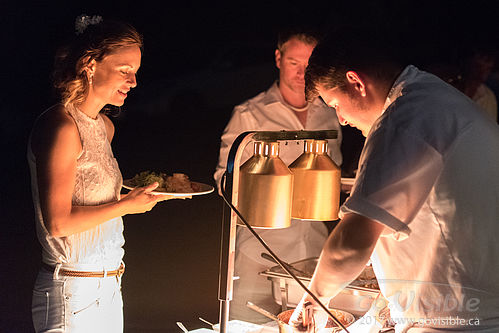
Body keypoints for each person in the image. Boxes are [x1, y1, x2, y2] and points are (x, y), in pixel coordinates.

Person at [290, 29, 499, 332]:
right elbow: (430, 229)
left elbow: (351, 242)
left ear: (356, 82)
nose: (342, 120)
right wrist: (383, 312)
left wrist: (313, 300)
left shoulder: (404, 120)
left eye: (335, 104)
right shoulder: (431, 100)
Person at [28, 16, 174, 333]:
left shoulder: (103, 127)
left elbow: (92, 202)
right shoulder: (61, 126)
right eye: (125, 71)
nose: (133, 82)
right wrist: (125, 206)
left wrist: (138, 198)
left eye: (135, 72)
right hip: (71, 292)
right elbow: (58, 222)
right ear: (89, 64)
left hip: (109, 285)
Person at [213, 28, 342, 323]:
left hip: (313, 253)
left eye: (309, 64)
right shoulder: (249, 113)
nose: (302, 72)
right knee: (247, 325)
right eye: (295, 62)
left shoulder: (331, 113)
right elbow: (224, 180)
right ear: (278, 58)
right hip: (258, 254)